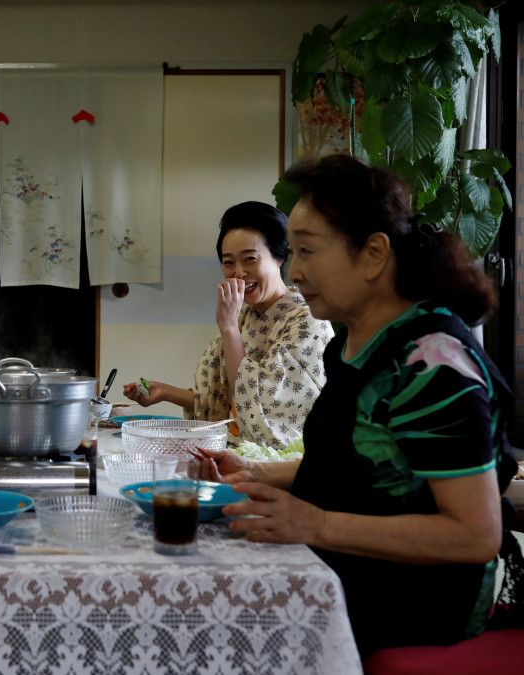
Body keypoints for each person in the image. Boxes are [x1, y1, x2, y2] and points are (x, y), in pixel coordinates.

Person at [201, 155, 523, 655]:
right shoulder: (351, 344)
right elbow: (360, 463)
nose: (296, 269)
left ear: (373, 254)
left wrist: (317, 523)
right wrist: (258, 475)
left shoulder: (431, 362)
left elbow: (474, 535)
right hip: (340, 567)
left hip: (414, 601)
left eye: (306, 251)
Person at [122, 201, 333, 448]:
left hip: (288, 463)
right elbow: (222, 402)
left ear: (279, 256)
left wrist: (229, 328)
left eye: (250, 259)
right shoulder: (244, 317)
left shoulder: (309, 321)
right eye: (228, 262)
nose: (238, 273)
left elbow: (259, 407)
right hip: (237, 451)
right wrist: (166, 393)